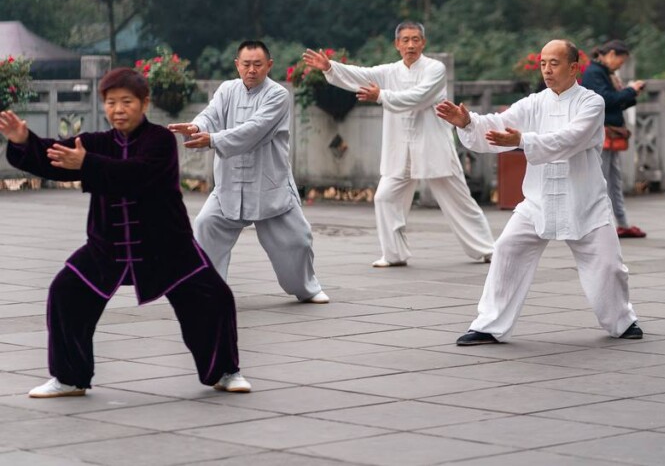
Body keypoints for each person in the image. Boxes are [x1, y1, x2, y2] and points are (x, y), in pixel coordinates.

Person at [1, 68, 250, 398]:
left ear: (144, 103)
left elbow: (137, 173)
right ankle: (70, 378)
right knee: (66, 293)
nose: (118, 109)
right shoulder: (96, 143)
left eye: (127, 102)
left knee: (214, 298)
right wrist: (23, 141)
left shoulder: (160, 141)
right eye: (111, 102)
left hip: (168, 248)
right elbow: (56, 156)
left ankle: (225, 372)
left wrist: (87, 164)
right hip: (108, 247)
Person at [436, 39, 642, 345]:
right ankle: (489, 325)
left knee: (609, 266)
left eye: (554, 63)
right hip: (537, 200)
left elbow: (569, 139)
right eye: (543, 63)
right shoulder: (534, 103)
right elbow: (499, 123)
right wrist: (468, 122)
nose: (546, 70)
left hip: (585, 201)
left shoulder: (592, 103)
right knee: (507, 250)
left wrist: (523, 141)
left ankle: (622, 321)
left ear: (574, 68)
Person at [302, 22, 494, 268]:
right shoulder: (389, 72)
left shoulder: (435, 69)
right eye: (405, 40)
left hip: (433, 146)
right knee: (385, 197)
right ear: (397, 44)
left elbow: (419, 97)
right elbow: (361, 75)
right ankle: (394, 254)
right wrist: (331, 67)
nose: (410, 45)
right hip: (400, 150)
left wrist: (381, 96)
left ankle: (488, 249)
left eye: (415, 39)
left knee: (460, 202)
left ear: (423, 43)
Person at [169, 41, 328, 303]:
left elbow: (255, 129)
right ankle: (208, 290)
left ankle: (307, 288)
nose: (251, 70)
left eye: (257, 64)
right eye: (246, 64)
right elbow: (210, 115)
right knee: (206, 224)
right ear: (237, 65)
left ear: (269, 65)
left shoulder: (278, 95)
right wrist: (197, 127)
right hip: (230, 184)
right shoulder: (227, 90)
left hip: (269, 184)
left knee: (297, 241)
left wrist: (213, 139)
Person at [580, 39, 647, 238]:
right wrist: (630, 90)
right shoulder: (594, 72)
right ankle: (600, 223)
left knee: (614, 180)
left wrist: (631, 93)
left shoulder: (604, 72)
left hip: (609, 133)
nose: (620, 65)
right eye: (620, 61)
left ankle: (621, 222)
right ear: (610, 54)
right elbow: (605, 100)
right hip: (601, 134)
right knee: (602, 181)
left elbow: (615, 103)